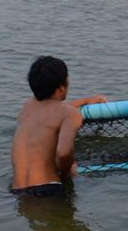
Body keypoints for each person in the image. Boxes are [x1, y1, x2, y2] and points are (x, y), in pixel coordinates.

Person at [10, 56, 106, 197]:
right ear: (62, 86)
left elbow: (54, 109)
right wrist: (67, 170)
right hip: (48, 190)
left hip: (17, 191)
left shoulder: (27, 107)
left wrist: (86, 100)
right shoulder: (69, 114)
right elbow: (63, 152)